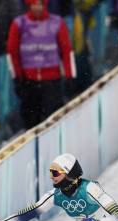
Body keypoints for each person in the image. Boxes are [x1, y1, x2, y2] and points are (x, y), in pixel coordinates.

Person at [7, 0, 76, 129]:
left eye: (40, 4)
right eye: (34, 4)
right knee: (31, 121)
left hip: (51, 80)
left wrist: (69, 75)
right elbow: (12, 52)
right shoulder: (19, 24)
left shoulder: (56, 22)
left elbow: (67, 50)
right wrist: (17, 77)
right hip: (29, 80)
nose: (37, 8)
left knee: (53, 120)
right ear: (29, 5)